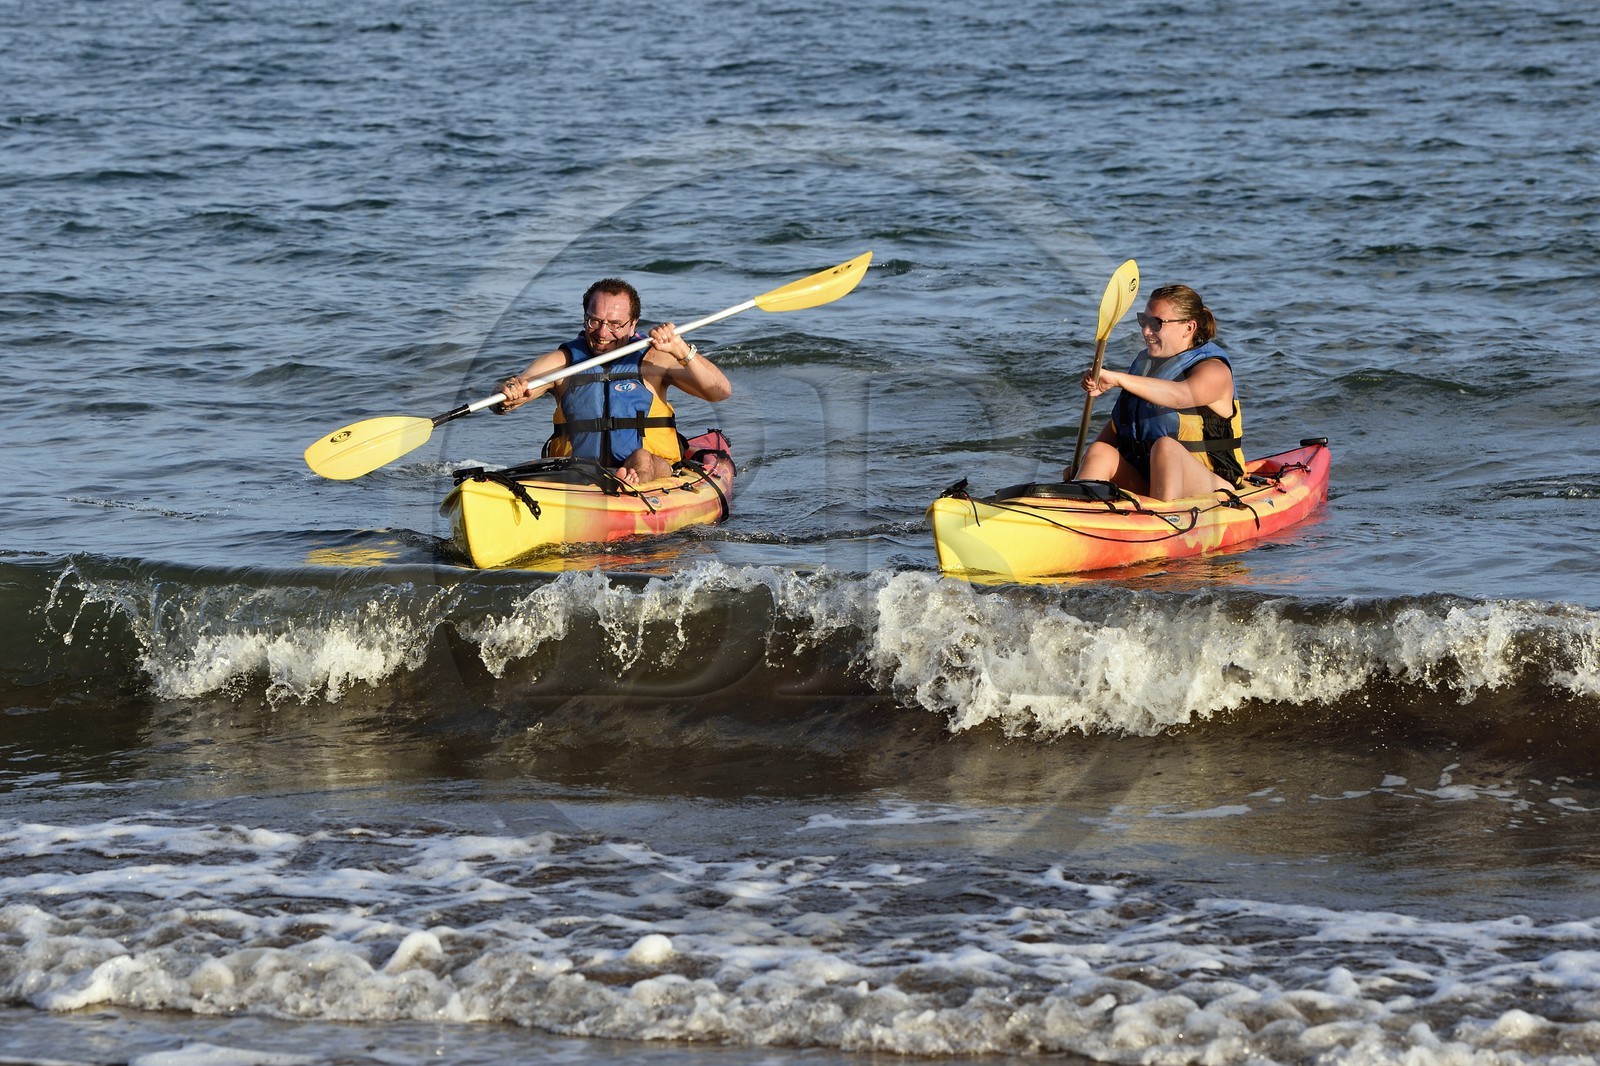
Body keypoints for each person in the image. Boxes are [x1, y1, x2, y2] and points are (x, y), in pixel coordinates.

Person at [495, 278, 733, 485]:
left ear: (633, 323)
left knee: (641, 458)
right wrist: (509, 394)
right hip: (578, 469)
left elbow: (720, 392)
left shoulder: (654, 360)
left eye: (615, 324)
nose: (602, 332)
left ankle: (626, 491)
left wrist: (681, 350)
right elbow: (509, 397)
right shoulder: (563, 362)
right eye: (594, 321)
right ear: (584, 318)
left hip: (652, 469)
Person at [1067, 284, 1245, 500]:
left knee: (1166, 448)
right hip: (1149, 481)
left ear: (1189, 328)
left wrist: (1116, 378)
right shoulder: (1145, 368)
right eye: (1144, 320)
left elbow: (1180, 396)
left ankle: (1164, 521)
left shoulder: (1214, 370)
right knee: (1099, 452)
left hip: (1211, 486)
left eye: (1156, 323)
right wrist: (1083, 469)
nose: (1145, 330)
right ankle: (1076, 510)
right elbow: (1114, 435)